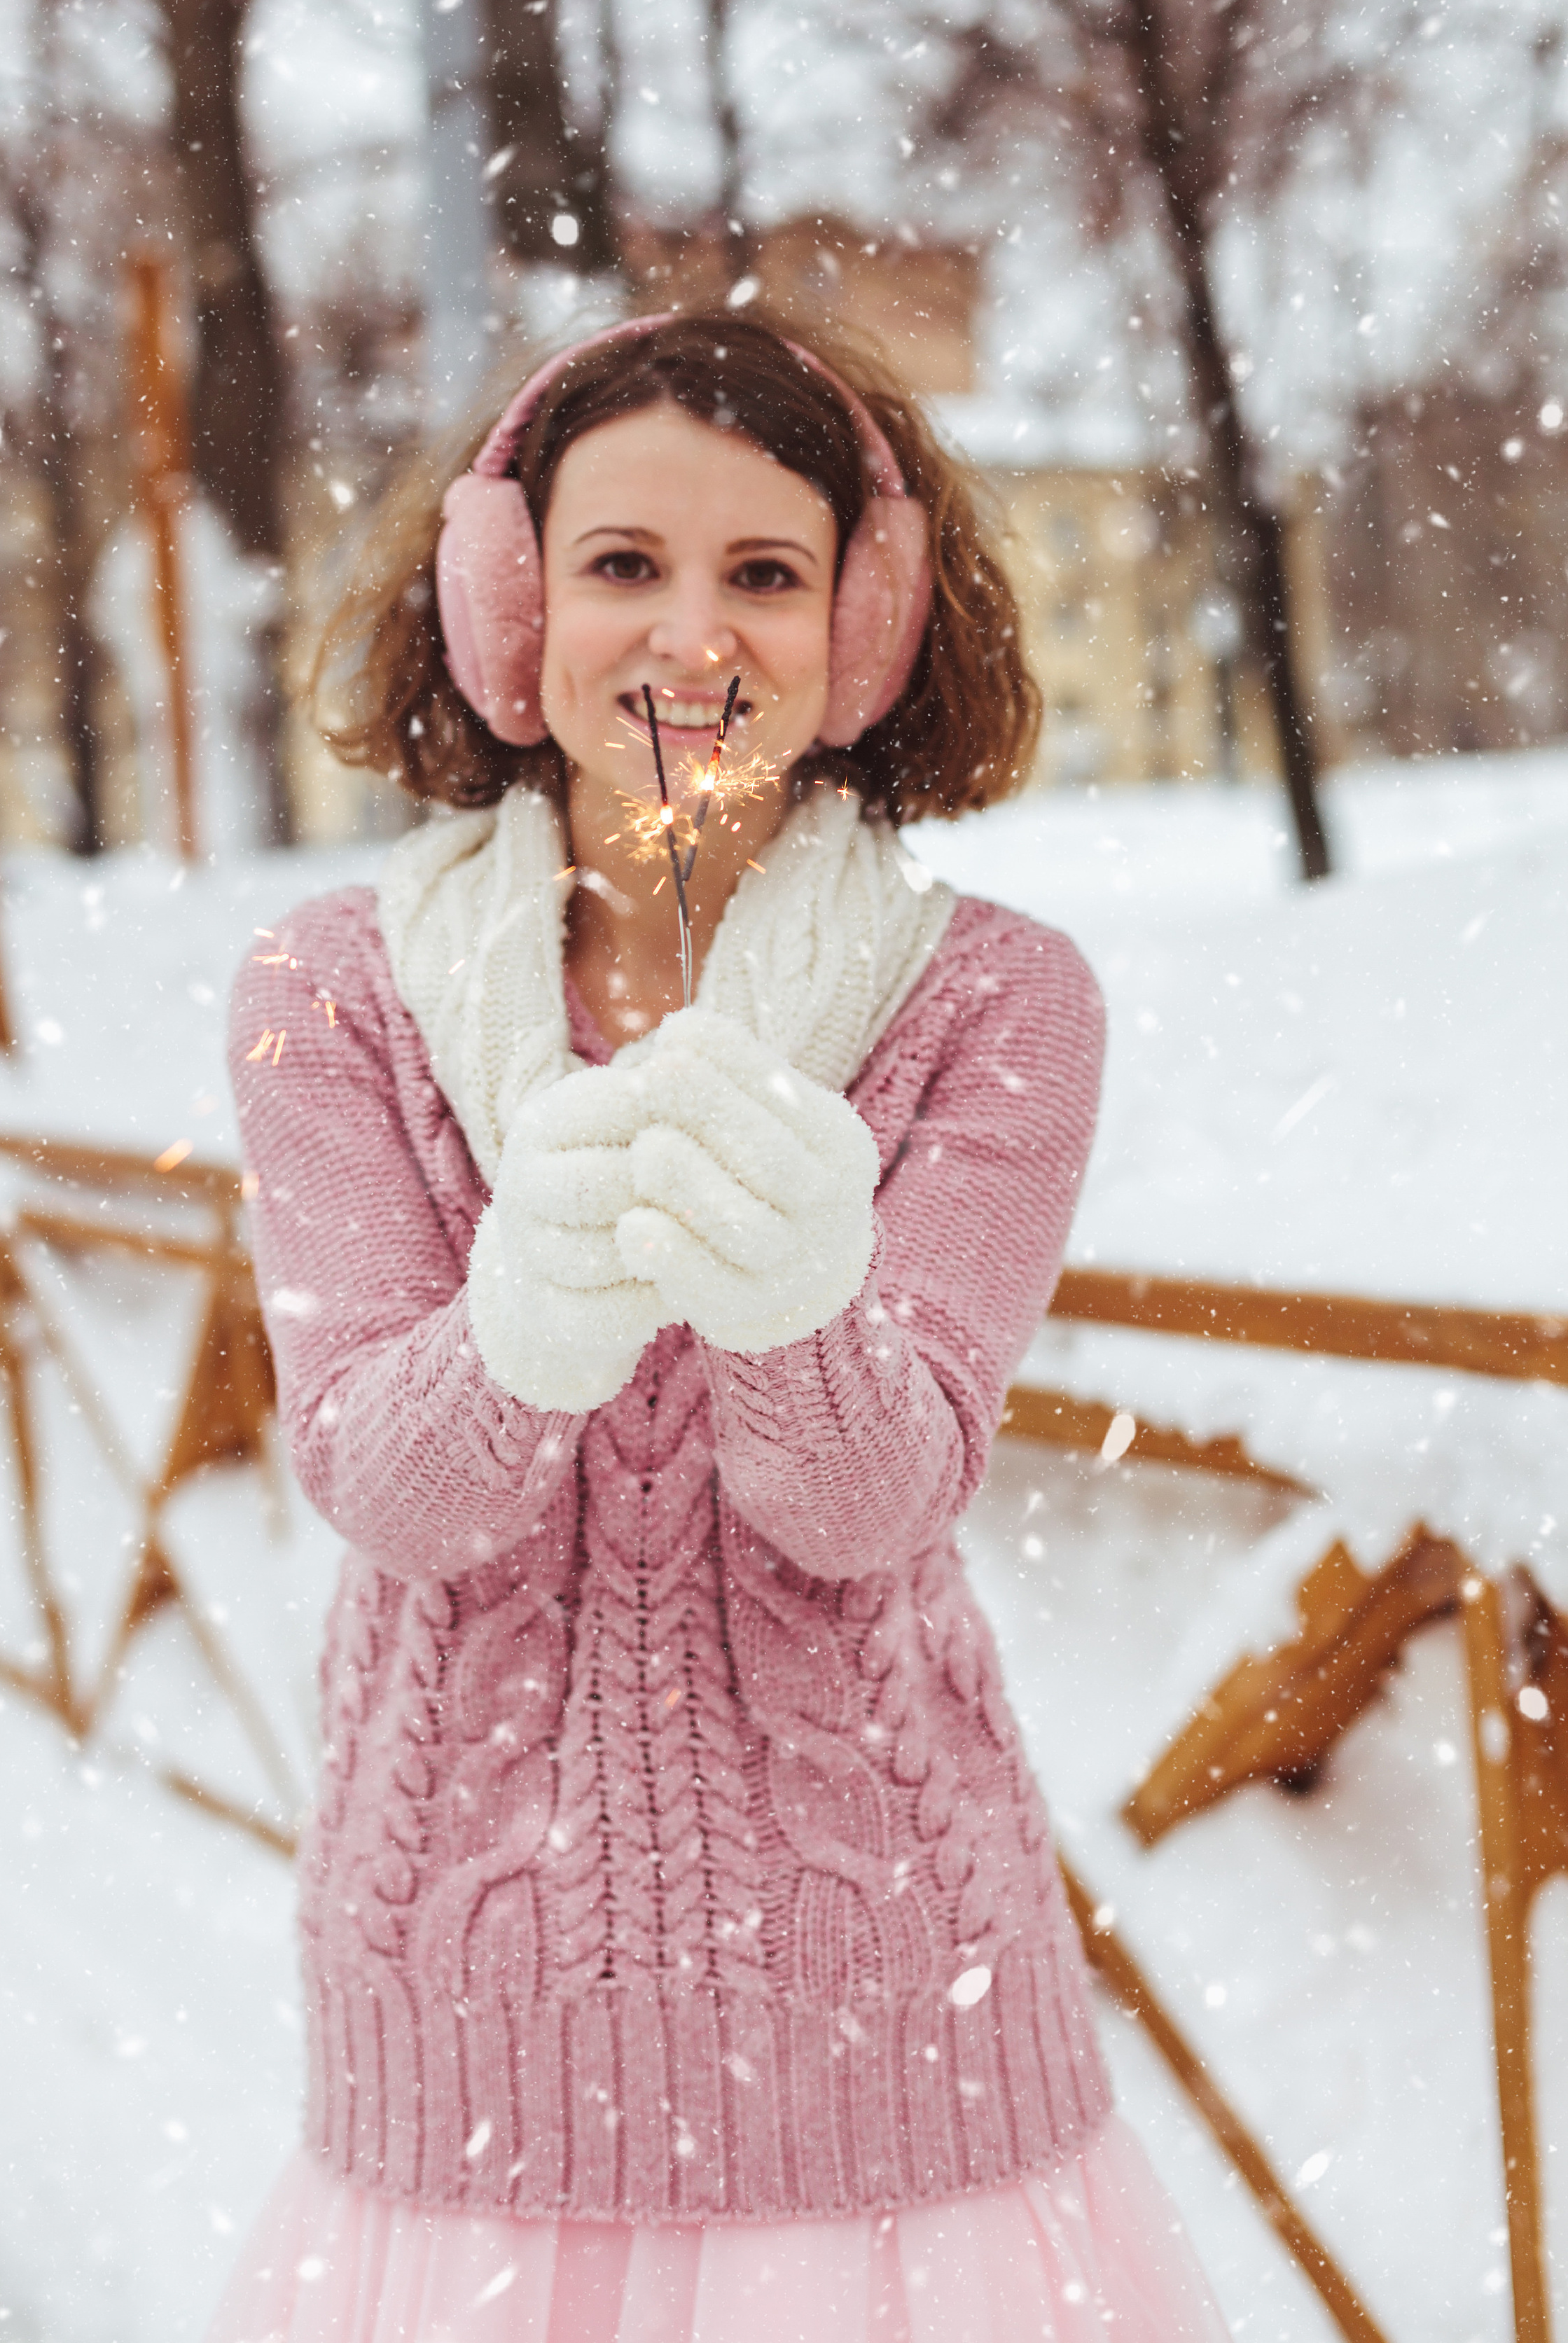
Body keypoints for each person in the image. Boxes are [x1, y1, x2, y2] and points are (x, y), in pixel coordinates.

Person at [209, 310, 1232, 2342]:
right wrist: (527, 1318)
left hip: (889, 2025)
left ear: (867, 626)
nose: (694, 637)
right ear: (509, 608)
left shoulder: (997, 1005)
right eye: (621, 567)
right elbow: (385, 1492)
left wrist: (791, 1305)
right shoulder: (328, 992)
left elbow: (868, 1506)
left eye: (764, 571)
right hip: (467, 2023)